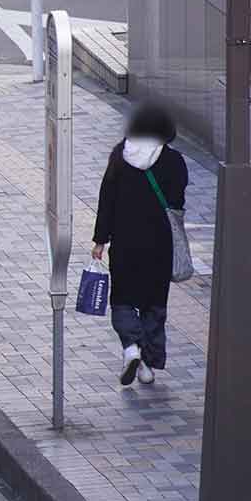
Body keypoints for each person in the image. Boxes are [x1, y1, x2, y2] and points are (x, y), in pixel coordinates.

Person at [91, 103, 189, 386]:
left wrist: (100, 240)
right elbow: (177, 203)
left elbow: (106, 202)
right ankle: (147, 364)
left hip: (124, 244)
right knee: (153, 304)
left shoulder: (119, 157)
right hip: (160, 244)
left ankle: (131, 348)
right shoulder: (174, 161)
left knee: (122, 301)